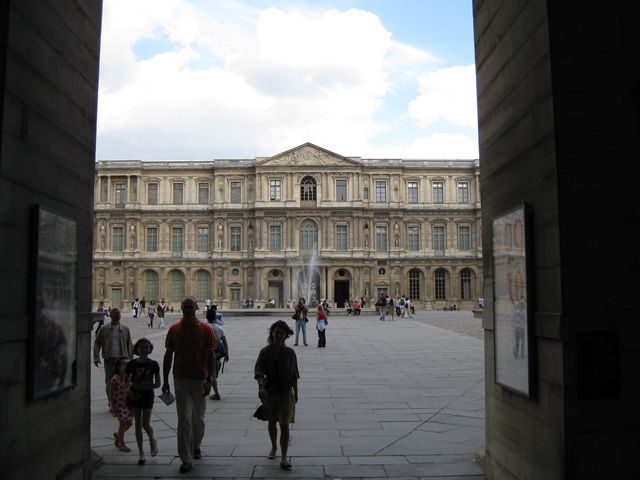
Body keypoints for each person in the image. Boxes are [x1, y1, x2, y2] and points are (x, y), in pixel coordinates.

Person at [162, 297, 216, 474]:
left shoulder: (206, 330)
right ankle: (186, 458)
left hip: (200, 378)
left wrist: (210, 379)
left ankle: (196, 444)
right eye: (185, 307)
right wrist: (165, 380)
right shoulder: (174, 329)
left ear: (196, 308)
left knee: (198, 418)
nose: (187, 310)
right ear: (181, 309)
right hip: (180, 379)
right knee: (184, 419)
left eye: (190, 307)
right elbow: (168, 355)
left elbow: (211, 355)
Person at [254, 320, 300, 470]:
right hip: (270, 392)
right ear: (272, 334)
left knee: (284, 424)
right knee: (272, 421)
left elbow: (294, 374)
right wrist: (261, 387)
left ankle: (284, 456)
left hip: (286, 391)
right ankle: (274, 446)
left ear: (286, 335)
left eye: (282, 333)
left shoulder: (290, 353)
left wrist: (296, 392)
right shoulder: (265, 352)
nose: (279, 335)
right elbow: (259, 372)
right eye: (277, 332)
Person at [126, 338, 160, 465]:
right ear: (137, 349)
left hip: (147, 395)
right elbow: (125, 381)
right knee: (137, 425)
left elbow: (158, 383)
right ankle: (141, 452)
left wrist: (144, 386)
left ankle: (152, 439)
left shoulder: (154, 364)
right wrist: (129, 392)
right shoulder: (131, 364)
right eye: (142, 347)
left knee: (145, 423)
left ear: (150, 349)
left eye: (146, 347)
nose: (144, 349)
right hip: (135, 395)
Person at [94, 307, 133, 404]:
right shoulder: (105, 329)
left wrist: (131, 360)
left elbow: (129, 345)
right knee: (109, 381)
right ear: (110, 315)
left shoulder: (125, 329)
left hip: (123, 359)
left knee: (124, 380)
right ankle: (111, 401)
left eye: (119, 313)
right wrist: (96, 357)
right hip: (109, 358)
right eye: (115, 313)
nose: (118, 315)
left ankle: (122, 400)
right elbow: (97, 343)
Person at [109, 356, 133, 453]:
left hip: (127, 404)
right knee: (122, 423)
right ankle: (121, 444)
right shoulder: (115, 378)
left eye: (128, 364)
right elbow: (111, 392)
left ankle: (118, 435)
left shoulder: (130, 377)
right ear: (118, 367)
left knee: (130, 423)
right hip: (118, 404)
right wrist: (112, 404)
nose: (126, 365)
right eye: (124, 364)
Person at [205, 306, 229, 401]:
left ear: (206, 317)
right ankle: (211, 391)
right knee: (213, 374)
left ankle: (215, 393)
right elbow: (225, 342)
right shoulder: (219, 328)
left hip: (206, 353)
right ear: (215, 317)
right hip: (217, 353)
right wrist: (227, 353)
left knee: (209, 374)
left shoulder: (204, 327)